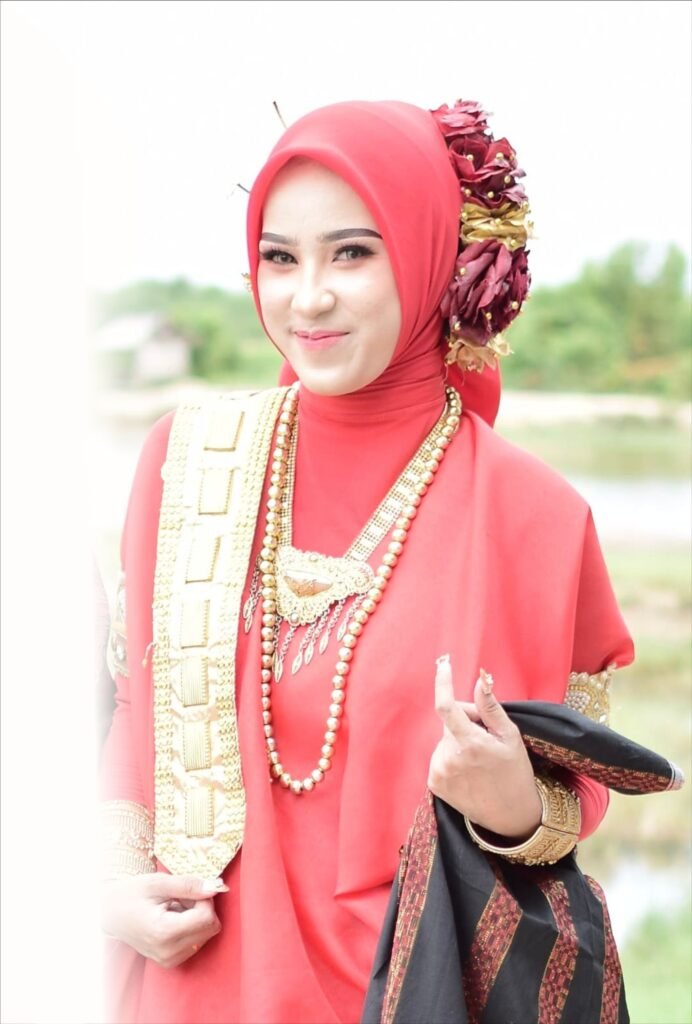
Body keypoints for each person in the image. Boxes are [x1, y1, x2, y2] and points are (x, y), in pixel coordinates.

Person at [100, 98, 633, 1024]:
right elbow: (133, 715)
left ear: (430, 258)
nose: (307, 298)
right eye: (280, 258)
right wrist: (110, 889)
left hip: (416, 991)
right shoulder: (188, 467)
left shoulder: (534, 517)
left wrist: (512, 804)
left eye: (351, 253)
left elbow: (572, 786)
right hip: (198, 985)